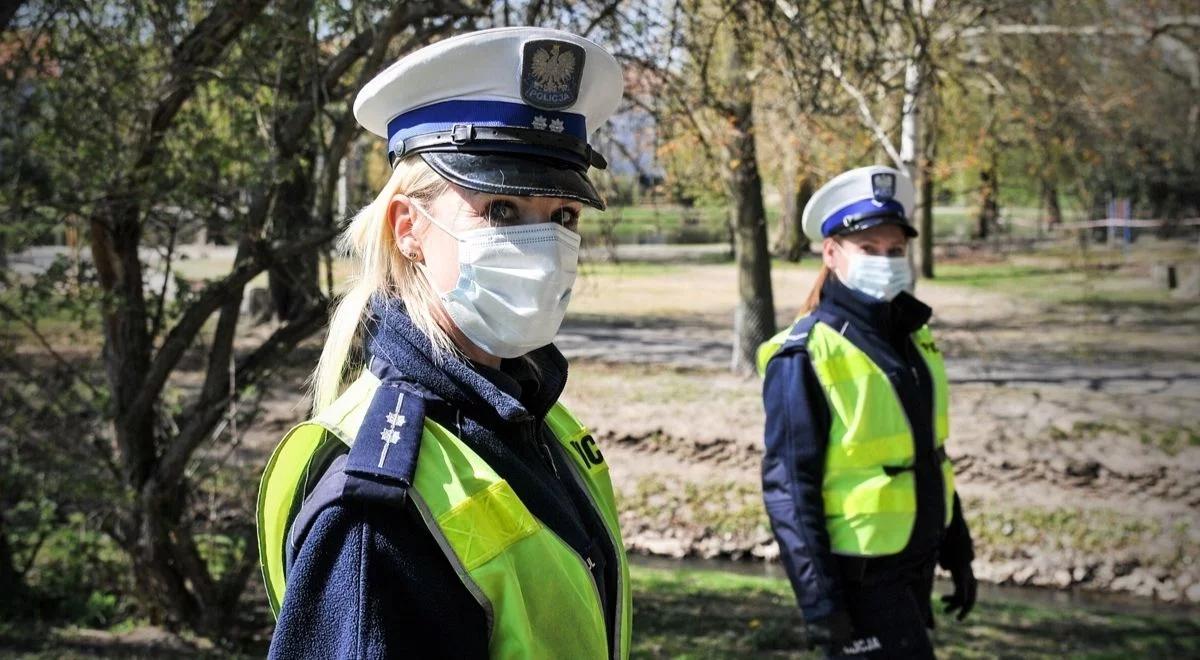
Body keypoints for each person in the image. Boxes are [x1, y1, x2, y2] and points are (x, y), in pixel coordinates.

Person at [256, 27, 630, 659]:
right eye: (502, 210)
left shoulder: (536, 414)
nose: (542, 247)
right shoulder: (377, 507)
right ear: (409, 228)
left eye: (562, 216)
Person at [758, 166, 977, 659]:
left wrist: (957, 547)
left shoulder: (915, 339)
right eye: (869, 250)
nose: (887, 261)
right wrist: (820, 605)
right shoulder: (804, 354)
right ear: (831, 254)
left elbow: (929, 454)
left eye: (895, 251)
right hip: (858, 579)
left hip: (913, 567)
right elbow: (790, 491)